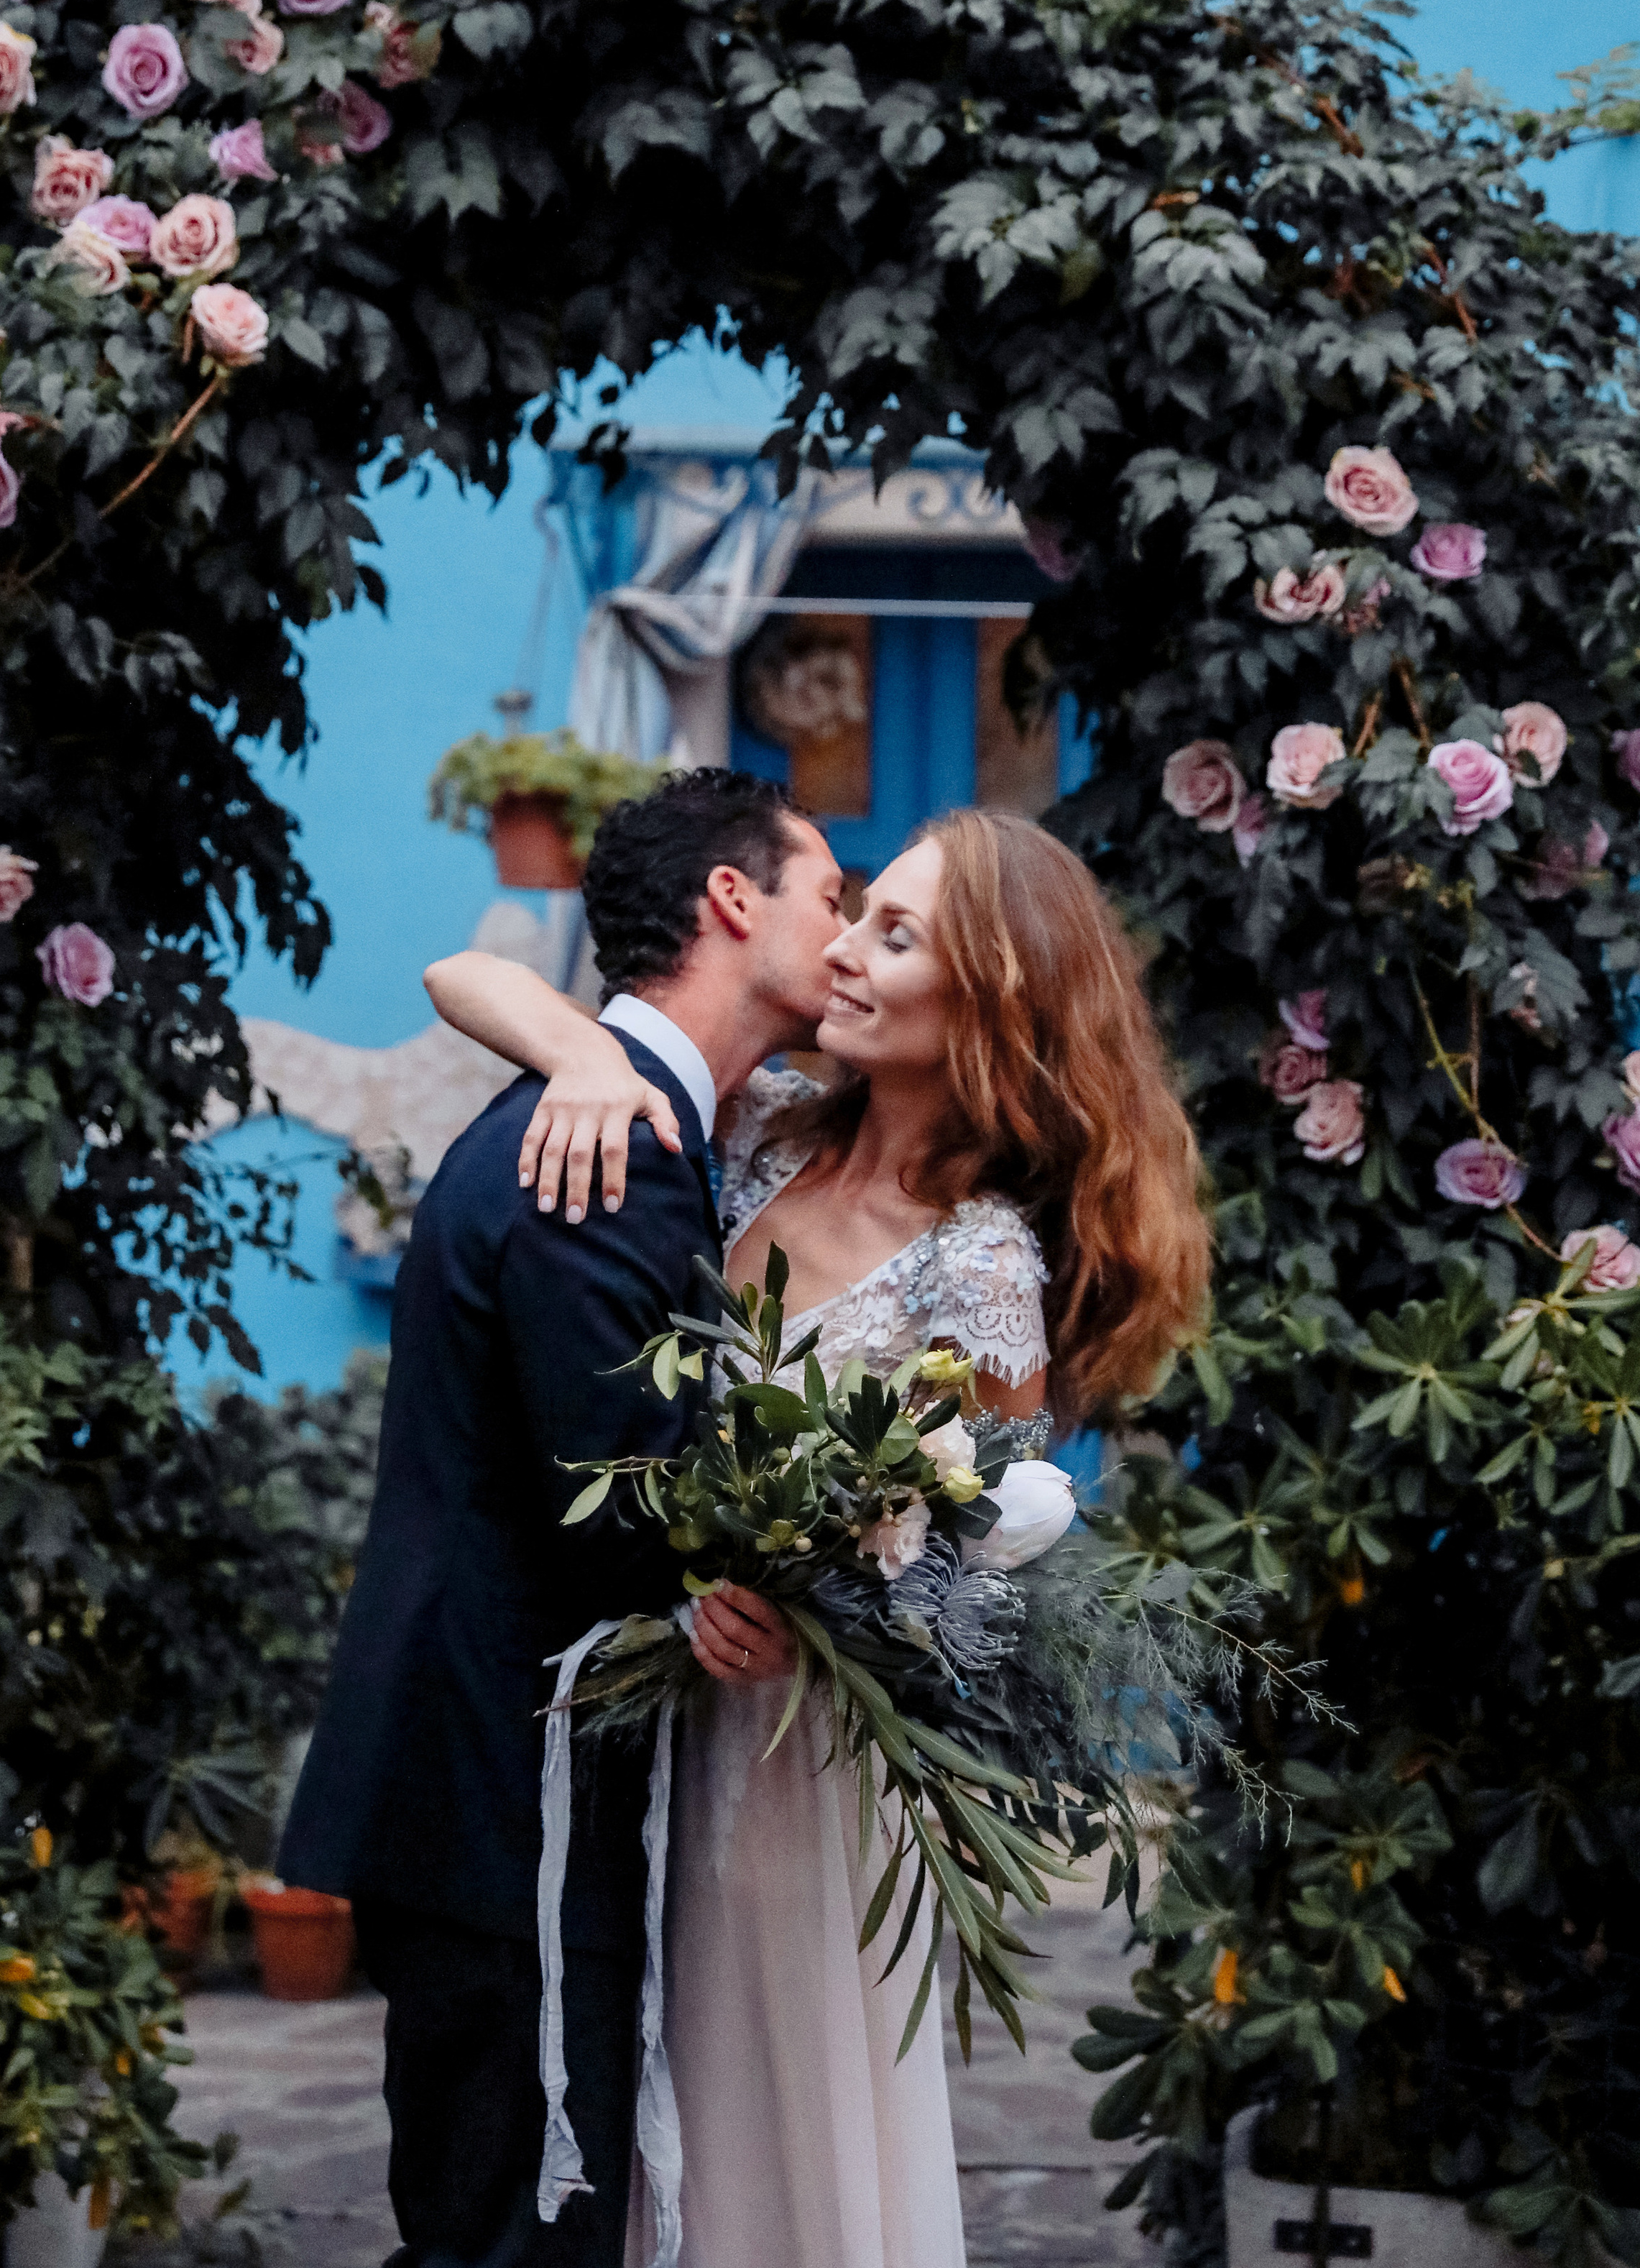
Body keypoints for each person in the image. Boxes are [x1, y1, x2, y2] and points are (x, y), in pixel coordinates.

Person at [424, 806, 1212, 2268]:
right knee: (627, 2123)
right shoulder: (760, 1128)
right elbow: (455, 982)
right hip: (650, 1737)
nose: (842, 950)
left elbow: (973, 1563)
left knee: (769, 2138)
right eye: (851, 912)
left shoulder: (980, 1263)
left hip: (802, 1768)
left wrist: (824, 1612)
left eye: (892, 933)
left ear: (987, 996)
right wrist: (586, 1054)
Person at [279, 768, 847, 2268]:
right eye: (830, 898)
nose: (846, 939)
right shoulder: (601, 1154)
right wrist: (840, 1552)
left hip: (498, 1769)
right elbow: (629, 1502)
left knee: (513, 2206)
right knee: (514, 2224)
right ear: (734, 901)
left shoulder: (635, 1112)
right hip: (503, 1777)